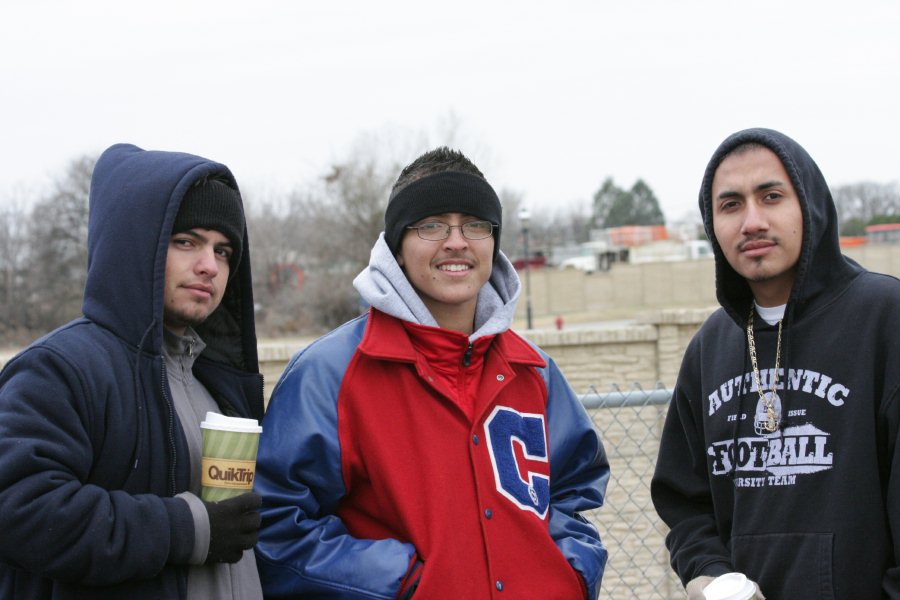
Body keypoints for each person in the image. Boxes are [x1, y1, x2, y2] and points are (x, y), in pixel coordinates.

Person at [254, 147, 609, 599]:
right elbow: (277, 525)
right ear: (397, 248)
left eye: (475, 224)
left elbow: (574, 492)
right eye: (432, 225)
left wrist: (567, 576)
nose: (456, 241)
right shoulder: (330, 374)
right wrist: (406, 585)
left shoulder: (533, 371)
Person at [0, 143, 265, 599]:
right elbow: (20, 510)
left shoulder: (215, 380)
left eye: (223, 251)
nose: (209, 266)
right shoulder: (61, 369)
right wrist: (186, 529)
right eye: (187, 242)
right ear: (136, 246)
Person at [651, 127, 900, 599]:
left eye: (771, 197)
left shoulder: (884, 319)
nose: (752, 222)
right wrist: (708, 574)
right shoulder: (710, 347)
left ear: (809, 204)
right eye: (731, 205)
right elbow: (686, 503)